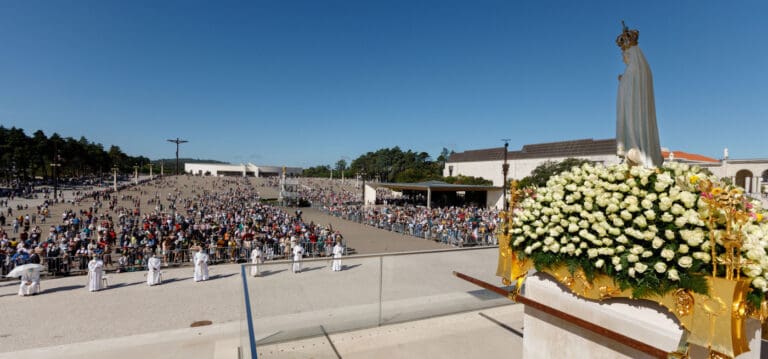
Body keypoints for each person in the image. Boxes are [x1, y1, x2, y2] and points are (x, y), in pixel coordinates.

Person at [615, 21, 663, 168]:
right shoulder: (640, 71)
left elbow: (629, 94)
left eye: (625, 54)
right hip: (637, 114)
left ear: (631, 54)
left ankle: (637, 154)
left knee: (633, 129)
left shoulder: (633, 71)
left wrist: (623, 81)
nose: (623, 58)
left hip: (633, 115)